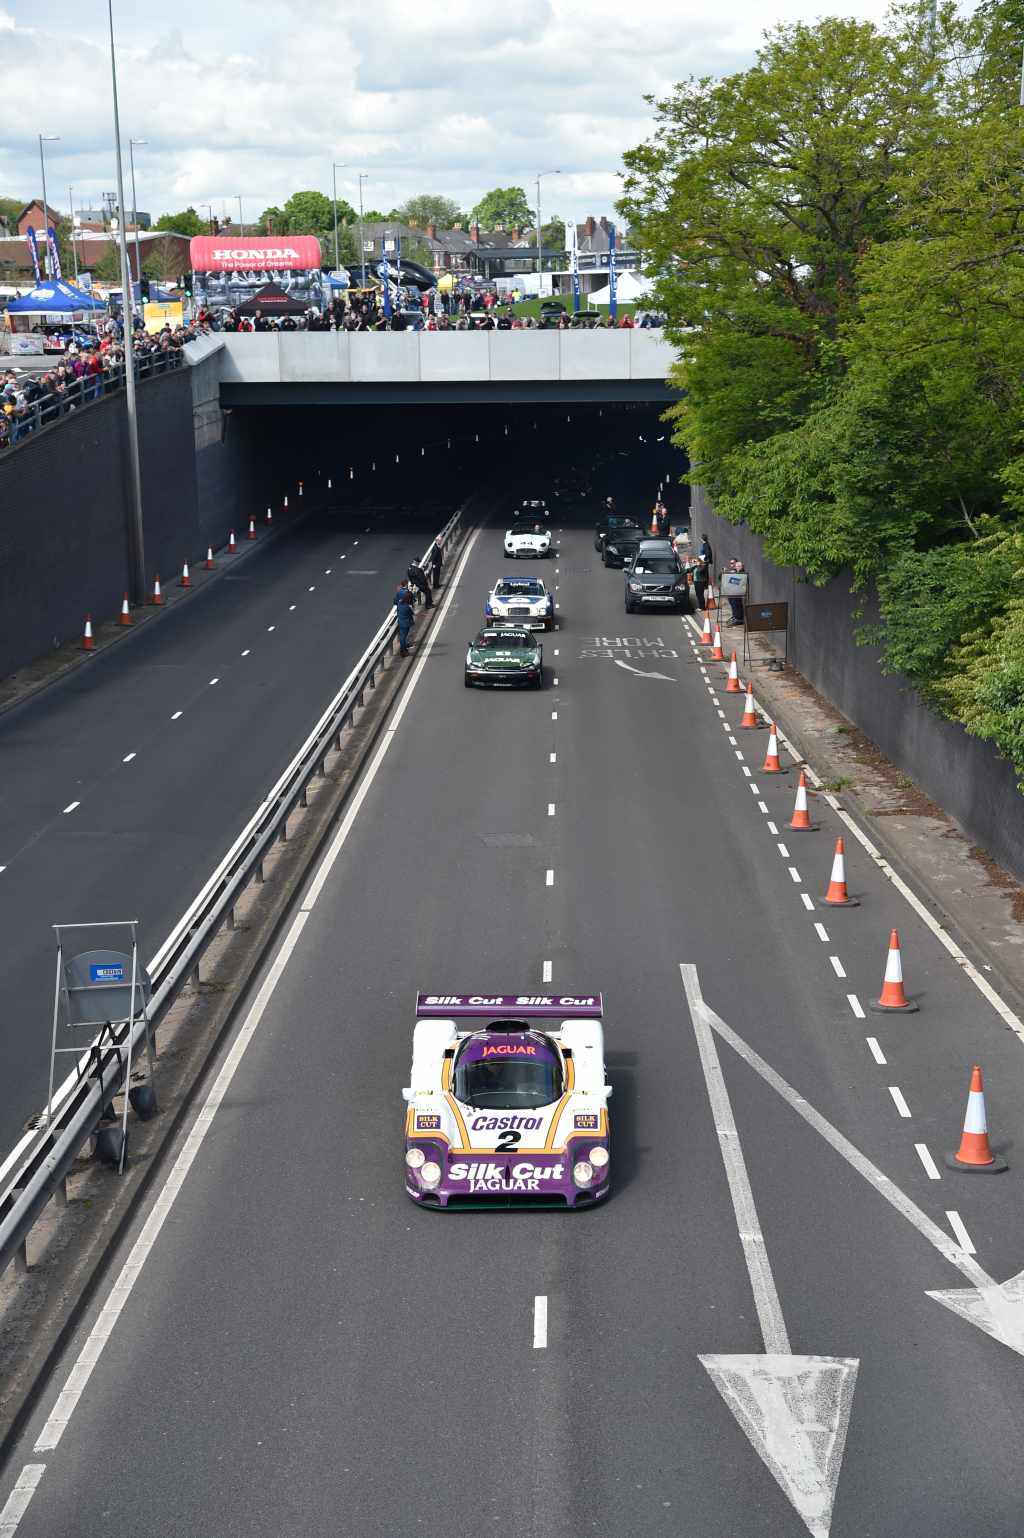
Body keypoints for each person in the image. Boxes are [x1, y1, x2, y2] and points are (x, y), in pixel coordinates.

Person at [395, 580, 416, 655]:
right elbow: (412, 613)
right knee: (403, 636)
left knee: (403, 636)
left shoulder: (400, 603)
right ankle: (403, 650)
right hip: (406, 623)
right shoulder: (407, 607)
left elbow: (395, 601)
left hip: (401, 622)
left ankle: (404, 647)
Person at [726, 558, 746, 626]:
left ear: (741, 567)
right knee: (733, 604)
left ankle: (739, 619)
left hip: (738, 592)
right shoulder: (734, 571)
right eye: (737, 566)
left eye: (738, 566)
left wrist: (731, 578)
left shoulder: (742, 572)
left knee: (737, 605)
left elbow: (738, 582)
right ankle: (735, 616)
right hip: (732, 591)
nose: (737, 567)